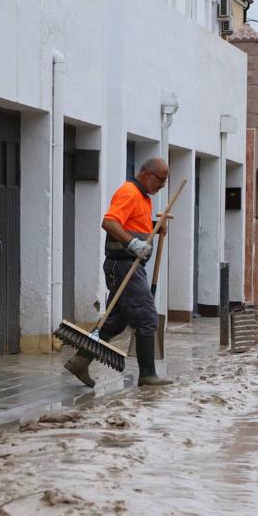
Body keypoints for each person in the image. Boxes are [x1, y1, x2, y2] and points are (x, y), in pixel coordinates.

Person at [64, 157, 173, 388]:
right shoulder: (129, 192)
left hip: (128, 267)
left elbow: (133, 225)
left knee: (115, 321)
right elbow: (110, 222)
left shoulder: (143, 198)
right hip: (124, 267)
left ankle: (80, 361)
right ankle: (148, 374)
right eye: (161, 180)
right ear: (147, 174)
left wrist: (155, 227)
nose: (163, 185)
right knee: (146, 317)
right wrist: (133, 243)